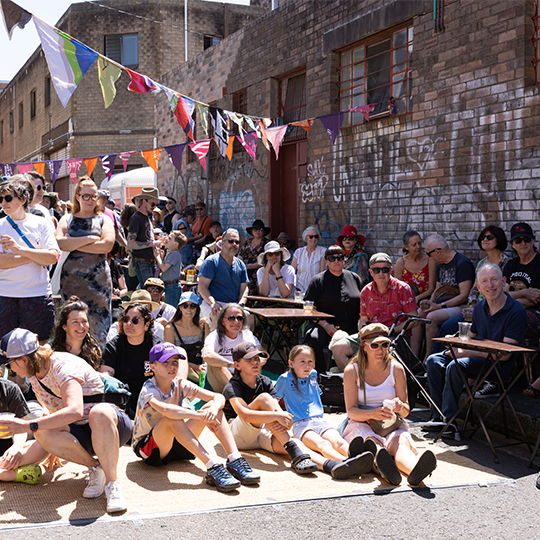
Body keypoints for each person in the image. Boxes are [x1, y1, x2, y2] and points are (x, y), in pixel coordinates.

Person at [0, 328, 132, 513]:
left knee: (99, 413)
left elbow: (75, 411)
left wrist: (27, 425)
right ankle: (96, 468)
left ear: (23, 360)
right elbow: (54, 412)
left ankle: (112, 485)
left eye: (9, 364)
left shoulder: (62, 366)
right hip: (82, 432)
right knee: (41, 431)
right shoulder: (34, 375)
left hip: (113, 426)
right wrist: (53, 446)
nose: (9, 369)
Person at [223, 342, 371, 479]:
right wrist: (277, 415)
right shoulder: (233, 385)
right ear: (237, 365)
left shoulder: (265, 381)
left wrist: (280, 419)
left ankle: (335, 464)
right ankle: (295, 453)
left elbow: (275, 413)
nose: (255, 363)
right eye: (249, 360)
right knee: (264, 399)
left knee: (297, 445)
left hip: (263, 430)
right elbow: (244, 414)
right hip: (239, 435)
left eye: (257, 359)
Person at [132, 342, 259, 491]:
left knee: (214, 409)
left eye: (175, 362)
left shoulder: (179, 383)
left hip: (176, 442)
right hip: (150, 449)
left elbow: (218, 397)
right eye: (165, 363)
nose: (172, 366)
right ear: (152, 367)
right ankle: (212, 465)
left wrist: (212, 409)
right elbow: (166, 409)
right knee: (171, 418)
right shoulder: (149, 388)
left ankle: (234, 458)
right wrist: (201, 417)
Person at [425, 263, 526, 432]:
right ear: (478, 287)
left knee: (456, 364)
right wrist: (455, 341)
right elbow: (469, 338)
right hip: (475, 356)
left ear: (503, 281)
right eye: (485, 281)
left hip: (497, 365)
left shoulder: (516, 311)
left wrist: (466, 352)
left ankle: (448, 422)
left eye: (494, 279)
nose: (490, 285)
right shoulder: (479, 307)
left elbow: (506, 355)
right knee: (434, 360)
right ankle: (438, 417)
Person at [342, 323, 437, 486]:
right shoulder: (352, 370)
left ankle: (416, 471)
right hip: (363, 422)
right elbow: (351, 411)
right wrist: (372, 413)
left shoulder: (396, 368)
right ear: (364, 347)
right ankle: (384, 469)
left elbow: (406, 411)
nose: (381, 350)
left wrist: (400, 407)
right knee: (373, 444)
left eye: (385, 344)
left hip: (391, 423)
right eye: (375, 345)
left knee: (400, 446)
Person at [275, 345, 373, 472]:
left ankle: (361, 459)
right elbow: (274, 400)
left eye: (310, 362)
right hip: (301, 424)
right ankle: (346, 464)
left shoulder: (313, 374)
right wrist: (278, 418)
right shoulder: (285, 379)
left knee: (339, 442)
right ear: (291, 363)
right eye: (302, 362)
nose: (307, 366)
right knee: (323, 445)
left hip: (320, 420)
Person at [431, 226, 510, 359]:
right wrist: (473, 305)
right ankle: (437, 361)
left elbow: (505, 290)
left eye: (490, 237)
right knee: (448, 326)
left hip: (492, 311)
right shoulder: (481, 264)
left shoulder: (507, 263)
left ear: (499, 239)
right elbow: (474, 289)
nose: (485, 240)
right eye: (483, 237)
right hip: (475, 310)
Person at [331, 253, 418, 371]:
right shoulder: (366, 291)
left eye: (385, 269)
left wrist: (390, 330)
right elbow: (363, 320)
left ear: (390, 270)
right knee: (338, 348)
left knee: (376, 349)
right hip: (370, 335)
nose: (381, 273)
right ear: (371, 272)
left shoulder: (403, 289)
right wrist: (363, 331)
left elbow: (413, 320)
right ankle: (358, 380)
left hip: (395, 337)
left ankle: (372, 382)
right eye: (377, 270)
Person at [56, 177, 115, 346]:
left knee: (99, 332)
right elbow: (60, 243)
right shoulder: (67, 219)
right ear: (77, 197)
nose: (90, 200)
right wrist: (90, 238)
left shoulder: (105, 219)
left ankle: (97, 368)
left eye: (94, 196)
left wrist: (73, 243)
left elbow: (107, 245)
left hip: (99, 287)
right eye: (86, 196)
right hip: (71, 285)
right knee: (72, 328)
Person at [0, 179, 59, 342]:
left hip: (37, 294)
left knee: (38, 350)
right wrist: (36, 255)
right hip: (5, 295)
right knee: (4, 351)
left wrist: (19, 250)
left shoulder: (41, 224)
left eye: (8, 198)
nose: (3, 203)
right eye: (1, 199)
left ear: (23, 199)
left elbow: (52, 257)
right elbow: (1, 262)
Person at [411, 234, 475, 361]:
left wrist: (440, 306)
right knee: (417, 314)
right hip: (441, 304)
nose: (429, 257)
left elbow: (464, 295)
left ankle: (429, 357)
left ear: (437, 252)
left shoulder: (462, 263)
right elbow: (437, 289)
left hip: (459, 306)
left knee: (431, 317)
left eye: (429, 254)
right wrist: (431, 302)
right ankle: (414, 357)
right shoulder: (440, 265)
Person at [303, 245, 363, 372]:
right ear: (326, 261)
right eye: (332, 258)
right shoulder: (317, 281)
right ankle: (321, 374)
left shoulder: (354, 278)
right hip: (323, 325)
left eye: (340, 257)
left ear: (344, 259)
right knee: (312, 337)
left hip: (351, 325)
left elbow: (363, 305)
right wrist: (325, 325)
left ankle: (360, 374)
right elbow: (308, 308)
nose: (336, 261)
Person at [101, 303, 166, 417]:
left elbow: (166, 378)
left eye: (135, 320)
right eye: (126, 319)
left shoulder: (157, 347)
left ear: (147, 325)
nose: (129, 323)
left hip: (152, 399)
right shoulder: (114, 346)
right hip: (123, 400)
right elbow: (106, 377)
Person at [0, 376, 48, 485]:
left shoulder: (10, 389)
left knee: (44, 445)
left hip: (7, 447)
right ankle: (9, 475)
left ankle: (6, 467)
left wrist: (16, 447)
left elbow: (21, 428)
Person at [202, 303, 259, 393]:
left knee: (257, 359)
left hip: (241, 376)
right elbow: (207, 355)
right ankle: (240, 393)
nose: (236, 322)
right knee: (215, 363)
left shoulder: (247, 335)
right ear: (222, 321)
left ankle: (245, 392)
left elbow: (261, 354)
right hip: (218, 378)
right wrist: (233, 365)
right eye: (231, 318)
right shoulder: (214, 335)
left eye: (239, 318)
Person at [198, 228, 249, 319]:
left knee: (249, 317)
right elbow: (202, 286)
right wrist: (213, 303)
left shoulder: (241, 264)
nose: (234, 244)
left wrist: (241, 304)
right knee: (219, 317)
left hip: (233, 305)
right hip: (211, 303)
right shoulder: (211, 261)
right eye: (230, 241)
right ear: (222, 243)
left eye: (237, 242)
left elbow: (244, 289)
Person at [164, 292, 210, 382]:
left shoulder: (204, 325)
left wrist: (204, 367)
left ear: (197, 308)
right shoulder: (170, 328)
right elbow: (171, 357)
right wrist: (196, 367)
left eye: (193, 306)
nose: (189, 309)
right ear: (180, 308)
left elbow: (207, 350)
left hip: (202, 367)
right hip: (181, 367)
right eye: (185, 306)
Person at [51, 296, 102, 371]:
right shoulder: (52, 350)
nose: (81, 326)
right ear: (64, 326)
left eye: (84, 321)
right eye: (75, 322)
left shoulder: (94, 351)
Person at [127, 187, 162, 288]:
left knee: (150, 292)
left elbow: (145, 239)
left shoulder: (146, 217)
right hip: (142, 262)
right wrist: (153, 243)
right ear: (144, 201)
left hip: (149, 261)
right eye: (152, 204)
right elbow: (130, 244)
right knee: (149, 292)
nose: (154, 207)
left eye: (156, 205)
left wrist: (156, 241)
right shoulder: (136, 218)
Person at [394, 230, 436, 302]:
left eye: (419, 243)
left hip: (425, 300)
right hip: (406, 300)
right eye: (414, 245)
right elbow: (397, 289)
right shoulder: (401, 263)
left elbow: (432, 288)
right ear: (406, 247)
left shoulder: (430, 260)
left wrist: (417, 298)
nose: (418, 247)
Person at [155, 231, 187, 308]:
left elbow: (164, 268)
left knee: (172, 309)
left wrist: (157, 256)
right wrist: (161, 257)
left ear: (176, 244)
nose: (166, 239)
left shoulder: (174, 253)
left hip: (172, 287)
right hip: (170, 285)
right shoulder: (171, 253)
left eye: (169, 238)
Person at [291, 226, 326, 294]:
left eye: (316, 236)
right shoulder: (298, 252)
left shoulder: (323, 252)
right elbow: (292, 271)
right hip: (299, 289)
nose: (313, 239)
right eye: (311, 236)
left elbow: (322, 274)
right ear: (305, 238)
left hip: (315, 290)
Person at [238, 219, 270, 285]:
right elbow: (240, 255)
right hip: (245, 269)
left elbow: (265, 261)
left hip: (259, 271)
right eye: (255, 229)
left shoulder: (267, 243)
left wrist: (249, 266)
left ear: (264, 231)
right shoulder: (247, 242)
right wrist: (240, 264)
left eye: (260, 229)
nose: (258, 231)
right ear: (252, 232)